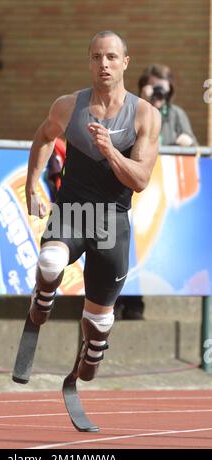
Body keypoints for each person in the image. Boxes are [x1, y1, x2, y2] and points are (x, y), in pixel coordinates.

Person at [25, 30, 161, 382]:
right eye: (97, 57)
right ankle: (43, 294)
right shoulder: (69, 105)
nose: (104, 64)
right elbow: (43, 136)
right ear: (89, 61)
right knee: (50, 259)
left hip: (112, 221)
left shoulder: (144, 115)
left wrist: (111, 151)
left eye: (112, 57)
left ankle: (93, 350)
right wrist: (32, 186)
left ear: (125, 62)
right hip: (72, 210)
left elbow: (141, 180)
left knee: (99, 324)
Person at [116, 63, 198, 321]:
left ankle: (135, 302)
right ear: (141, 86)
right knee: (124, 245)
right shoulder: (133, 110)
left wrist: (185, 144)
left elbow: (193, 149)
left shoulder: (176, 115)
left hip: (162, 194)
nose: (157, 93)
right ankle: (116, 300)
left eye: (162, 87)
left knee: (149, 248)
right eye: (152, 86)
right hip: (132, 188)